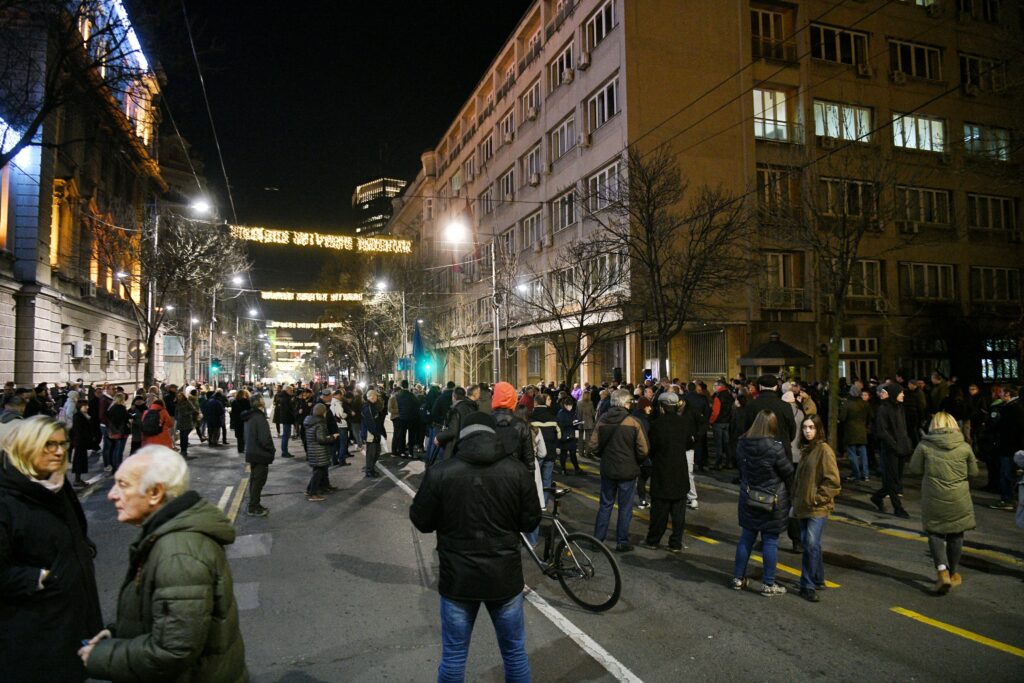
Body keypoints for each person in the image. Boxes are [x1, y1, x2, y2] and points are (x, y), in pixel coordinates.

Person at [79, 446, 247, 681]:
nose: (112, 494)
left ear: (155, 493)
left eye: (124, 485)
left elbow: (174, 650)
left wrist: (101, 656)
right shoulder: (164, 537)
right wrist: (117, 633)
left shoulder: (178, 554)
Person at [409, 412, 541, 682]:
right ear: (494, 435)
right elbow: (530, 520)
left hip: (458, 578)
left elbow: (421, 520)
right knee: (514, 653)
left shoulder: (442, 473)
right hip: (504, 577)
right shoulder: (515, 471)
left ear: (462, 437)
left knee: (454, 657)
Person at [0, 416, 103, 681]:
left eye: (62, 444)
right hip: (33, 634)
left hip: (73, 619)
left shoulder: (58, 486)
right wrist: (38, 578)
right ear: (26, 447)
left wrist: (83, 550)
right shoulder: (7, 500)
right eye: (48, 445)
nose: (58, 451)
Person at [908, 412, 979, 594]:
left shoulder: (925, 445)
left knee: (935, 532)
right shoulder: (964, 447)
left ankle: (942, 571)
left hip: (934, 495)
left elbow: (914, 469)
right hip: (959, 497)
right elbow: (974, 472)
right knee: (956, 533)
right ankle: (953, 573)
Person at [732, 410, 794, 596]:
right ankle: (768, 583)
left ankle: (738, 577)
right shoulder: (775, 447)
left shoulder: (743, 444)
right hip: (772, 498)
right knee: (770, 541)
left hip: (749, 495)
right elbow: (787, 470)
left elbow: (741, 468)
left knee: (746, 538)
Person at [589, 389, 649, 552]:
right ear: (624, 403)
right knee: (625, 507)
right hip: (628, 470)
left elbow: (592, 445)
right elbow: (643, 450)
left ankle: (597, 540)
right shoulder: (633, 422)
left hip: (608, 468)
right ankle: (622, 540)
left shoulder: (602, 420)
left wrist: (603, 454)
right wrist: (636, 460)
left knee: (605, 505)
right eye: (629, 402)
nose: (630, 404)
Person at [792, 415, 841, 603]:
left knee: (810, 544)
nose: (807, 431)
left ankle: (808, 585)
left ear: (818, 429)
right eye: (805, 427)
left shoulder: (824, 450)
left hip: (816, 507)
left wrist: (817, 499)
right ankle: (818, 578)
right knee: (810, 543)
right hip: (805, 504)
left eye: (811, 427)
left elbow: (833, 481)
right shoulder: (807, 450)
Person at [642, 392, 695, 552]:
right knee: (678, 512)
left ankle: (653, 539)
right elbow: (689, 443)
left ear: (662, 407)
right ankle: (675, 542)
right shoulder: (684, 422)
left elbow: (651, 448)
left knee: (659, 510)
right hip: (679, 469)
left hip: (662, 469)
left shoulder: (657, 424)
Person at [870, 384, 912, 518]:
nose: (903, 395)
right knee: (893, 479)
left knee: (896, 479)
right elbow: (882, 431)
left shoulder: (900, 408)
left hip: (901, 448)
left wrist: (906, 444)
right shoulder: (884, 409)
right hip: (890, 450)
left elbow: (903, 428)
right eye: (901, 393)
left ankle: (877, 497)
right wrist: (894, 445)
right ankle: (897, 507)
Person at [988, 385, 1023, 511]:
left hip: (1009, 447)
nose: (1000, 394)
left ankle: (1008, 499)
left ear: (1008, 394)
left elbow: (1012, 430)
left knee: (1007, 474)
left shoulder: (1013, 409)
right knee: (1006, 473)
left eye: (1002, 392)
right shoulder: (1012, 407)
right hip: (1009, 446)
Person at [491, 381, 535, 473]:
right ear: (513, 399)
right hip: (515, 473)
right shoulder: (521, 424)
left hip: (491, 475)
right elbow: (528, 456)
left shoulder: (487, 422)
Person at [243, 395, 276, 517]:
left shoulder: (250, 416)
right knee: (258, 481)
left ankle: (254, 504)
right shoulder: (259, 418)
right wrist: (271, 449)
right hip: (260, 453)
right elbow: (264, 438)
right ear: (260, 403)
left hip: (253, 451)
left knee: (255, 480)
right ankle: (253, 506)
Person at [304, 403, 338, 501]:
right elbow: (321, 439)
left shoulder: (310, 421)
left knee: (317, 471)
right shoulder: (320, 423)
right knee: (318, 472)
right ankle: (313, 494)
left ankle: (309, 489)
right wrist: (332, 437)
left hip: (313, 450)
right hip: (319, 451)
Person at [839, 387, 872, 482]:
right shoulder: (865, 404)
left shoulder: (847, 404)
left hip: (850, 432)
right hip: (862, 431)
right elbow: (870, 416)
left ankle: (856, 474)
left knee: (852, 454)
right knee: (863, 453)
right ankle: (866, 474)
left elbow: (842, 418)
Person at [709, 379, 734, 469]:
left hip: (718, 423)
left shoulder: (718, 397)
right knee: (727, 443)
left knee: (719, 444)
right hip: (727, 422)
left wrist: (711, 421)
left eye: (714, 386)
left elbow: (715, 412)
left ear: (719, 386)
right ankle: (729, 462)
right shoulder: (729, 395)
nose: (713, 388)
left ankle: (718, 464)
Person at [556, 397, 581, 475]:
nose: (570, 407)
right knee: (563, 453)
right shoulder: (561, 412)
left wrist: (577, 422)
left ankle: (577, 469)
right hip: (564, 436)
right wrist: (572, 423)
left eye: (571, 405)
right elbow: (561, 424)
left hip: (571, 435)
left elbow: (574, 419)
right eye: (569, 405)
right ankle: (563, 469)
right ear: (565, 405)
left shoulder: (572, 412)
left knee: (573, 453)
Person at [361, 389, 384, 478]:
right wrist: (376, 434)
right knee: (372, 453)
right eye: (376, 396)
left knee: (376, 452)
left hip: (373, 434)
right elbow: (370, 423)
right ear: (372, 397)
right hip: (370, 435)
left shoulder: (371, 406)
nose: (377, 398)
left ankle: (370, 469)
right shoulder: (368, 408)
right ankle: (369, 470)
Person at [106, 392, 131, 471]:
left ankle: (113, 466)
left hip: (113, 430)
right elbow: (126, 418)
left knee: (114, 449)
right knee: (120, 450)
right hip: (122, 431)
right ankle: (118, 466)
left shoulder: (111, 408)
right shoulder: (122, 408)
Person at [229, 388, 252, 454]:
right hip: (245, 420)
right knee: (245, 433)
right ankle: (244, 447)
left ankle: (240, 448)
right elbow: (250, 410)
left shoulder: (234, 402)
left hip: (237, 420)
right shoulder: (246, 401)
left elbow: (232, 412)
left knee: (239, 435)